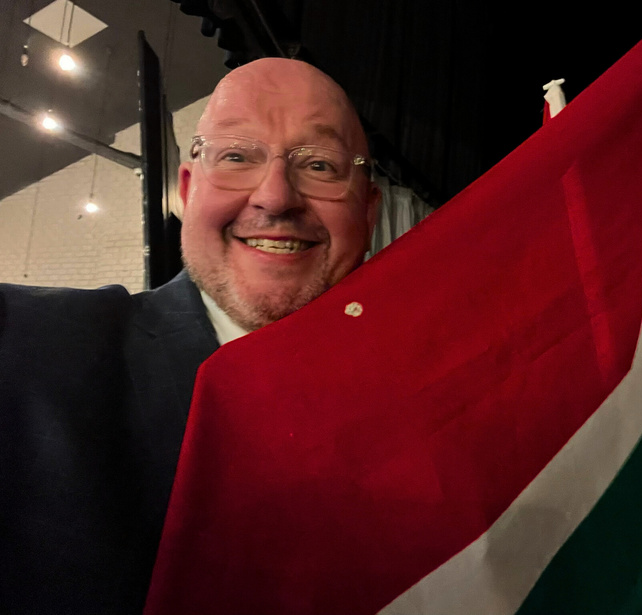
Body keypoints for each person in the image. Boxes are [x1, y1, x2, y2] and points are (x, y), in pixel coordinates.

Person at [0, 58, 381, 614]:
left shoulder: (441, 397)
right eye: (235, 157)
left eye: (320, 165)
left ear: (369, 212)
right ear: (186, 191)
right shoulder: (27, 348)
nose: (275, 197)